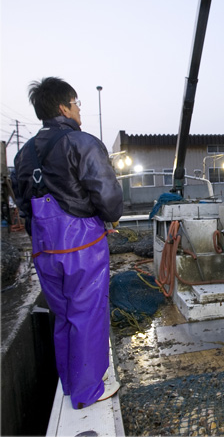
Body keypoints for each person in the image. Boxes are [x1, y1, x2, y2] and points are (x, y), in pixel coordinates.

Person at [13, 77, 123, 409]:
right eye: (76, 103)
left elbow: (21, 203)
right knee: (88, 314)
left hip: (44, 249)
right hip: (82, 246)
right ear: (63, 107)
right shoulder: (81, 142)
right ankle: (89, 390)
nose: (78, 109)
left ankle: (71, 383)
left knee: (63, 316)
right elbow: (107, 193)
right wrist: (109, 217)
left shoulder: (23, 155)